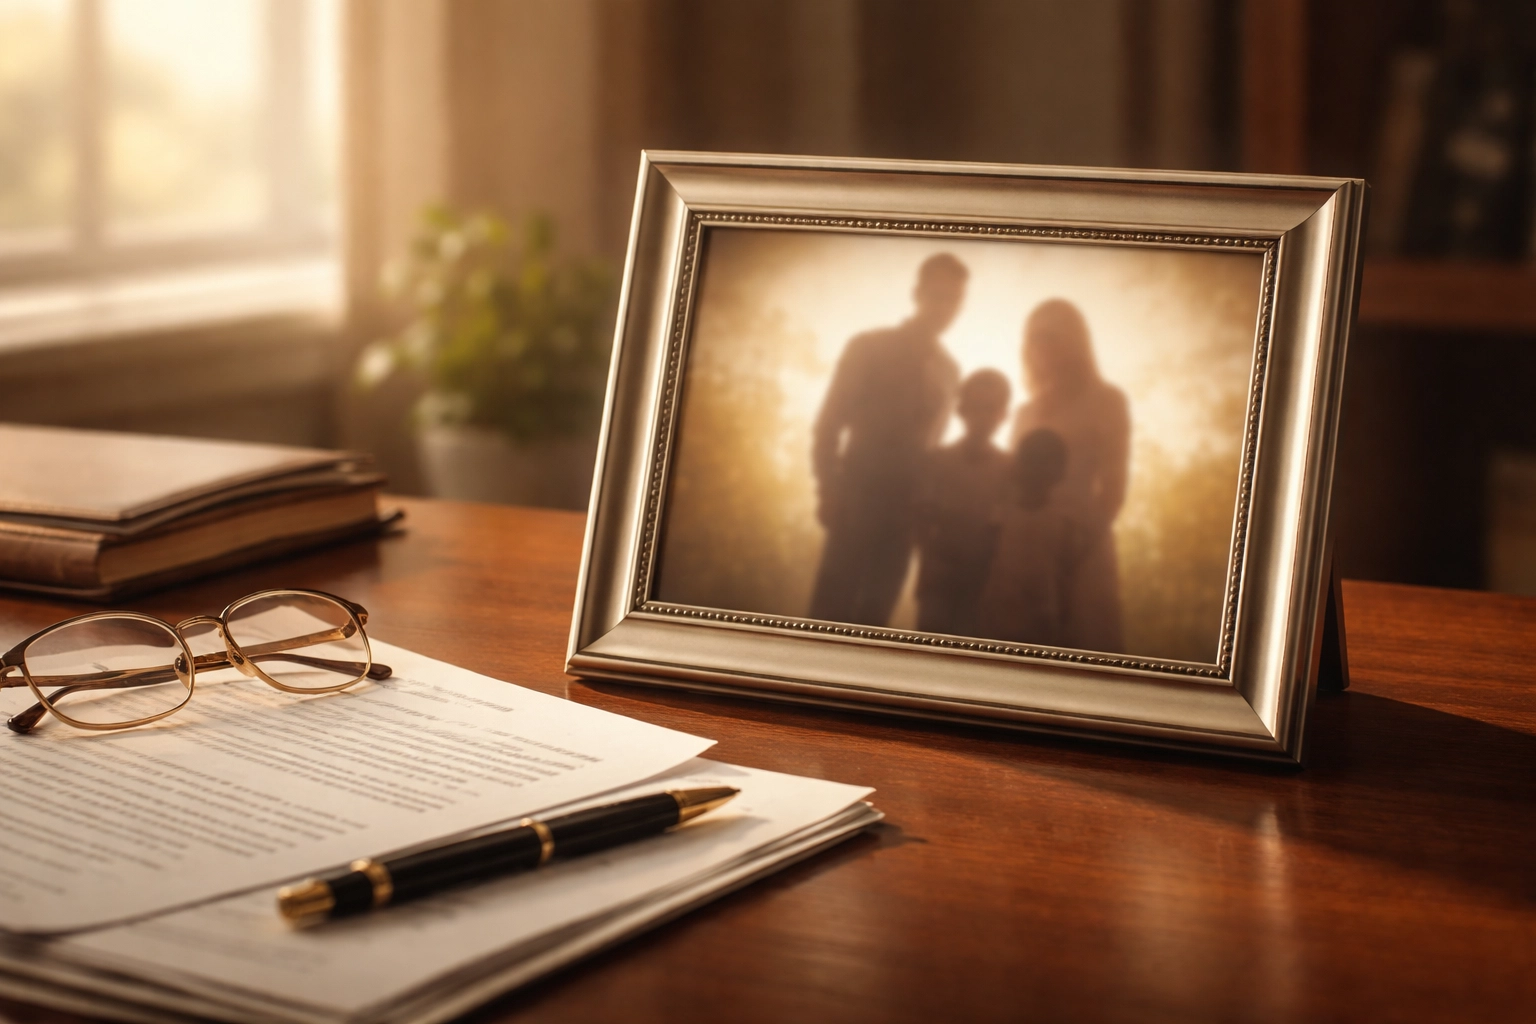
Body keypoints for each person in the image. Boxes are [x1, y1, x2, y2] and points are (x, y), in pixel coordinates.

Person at [808, 253, 967, 627]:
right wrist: (829, 489)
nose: (945, 307)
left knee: (875, 621)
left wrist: (927, 511)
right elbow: (828, 424)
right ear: (918, 293)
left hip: (905, 518)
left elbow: (933, 447)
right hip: (855, 502)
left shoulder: (950, 371)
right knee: (828, 618)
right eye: (938, 294)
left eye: (954, 299)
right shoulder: (869, 347)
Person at [1008, 298, 1130, 653]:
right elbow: (1011, 486)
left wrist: (1075, 549)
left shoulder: (1106, 400)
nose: (1040, 346)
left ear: (1075, 340)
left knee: (1086, 651)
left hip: (1082, 548)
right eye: (1033, 337)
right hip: (1025, 550)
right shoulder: (1024, 412)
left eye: (1051, 335)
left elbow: (1114, 489)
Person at [914, 368, 1011, 636]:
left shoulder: (1010, 470)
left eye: (990, 408)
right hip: (938, 586)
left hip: (986, 589)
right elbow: (921, 521)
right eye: (976, 407)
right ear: (961, 410)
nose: (982, 417)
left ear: (1004, 414)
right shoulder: (937, 463)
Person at [977, 427, 1074, 646]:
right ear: (1019, 465)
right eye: (1032, 460)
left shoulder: (1062, 523)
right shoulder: (1001, 515)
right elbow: (984, 560)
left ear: (1059, 471)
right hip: (998, 615)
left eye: (1045, 462)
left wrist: (1064, 621)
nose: (1037, 470)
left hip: (1042, 622)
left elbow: (1065, 579)